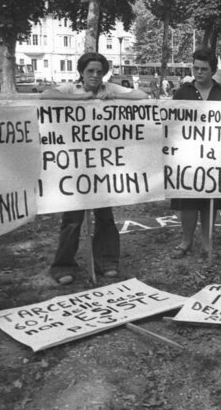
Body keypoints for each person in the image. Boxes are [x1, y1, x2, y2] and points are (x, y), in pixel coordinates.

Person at [41, 52, 148, 285]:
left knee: (105, 215)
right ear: (81, 72)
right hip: (75, 166)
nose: (95, 75)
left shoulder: (109, 88)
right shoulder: (71, 88)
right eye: (90, 71)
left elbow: (142, 96)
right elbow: (45, 95)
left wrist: (112, 96)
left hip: (102, 165)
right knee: (72, 218)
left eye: (100, 71)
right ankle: (62, 265)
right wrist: (81, 100)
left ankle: (107, 262)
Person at [171, 48, 221, 261]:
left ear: (213, 70)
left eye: (204, 69)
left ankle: (207, 243)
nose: (198, 72)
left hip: (216, 156)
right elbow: (172, 122)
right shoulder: (182, 92)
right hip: (188, 156)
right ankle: (186, 241)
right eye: (195, 68)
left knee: (211, 200)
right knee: (188, 201)